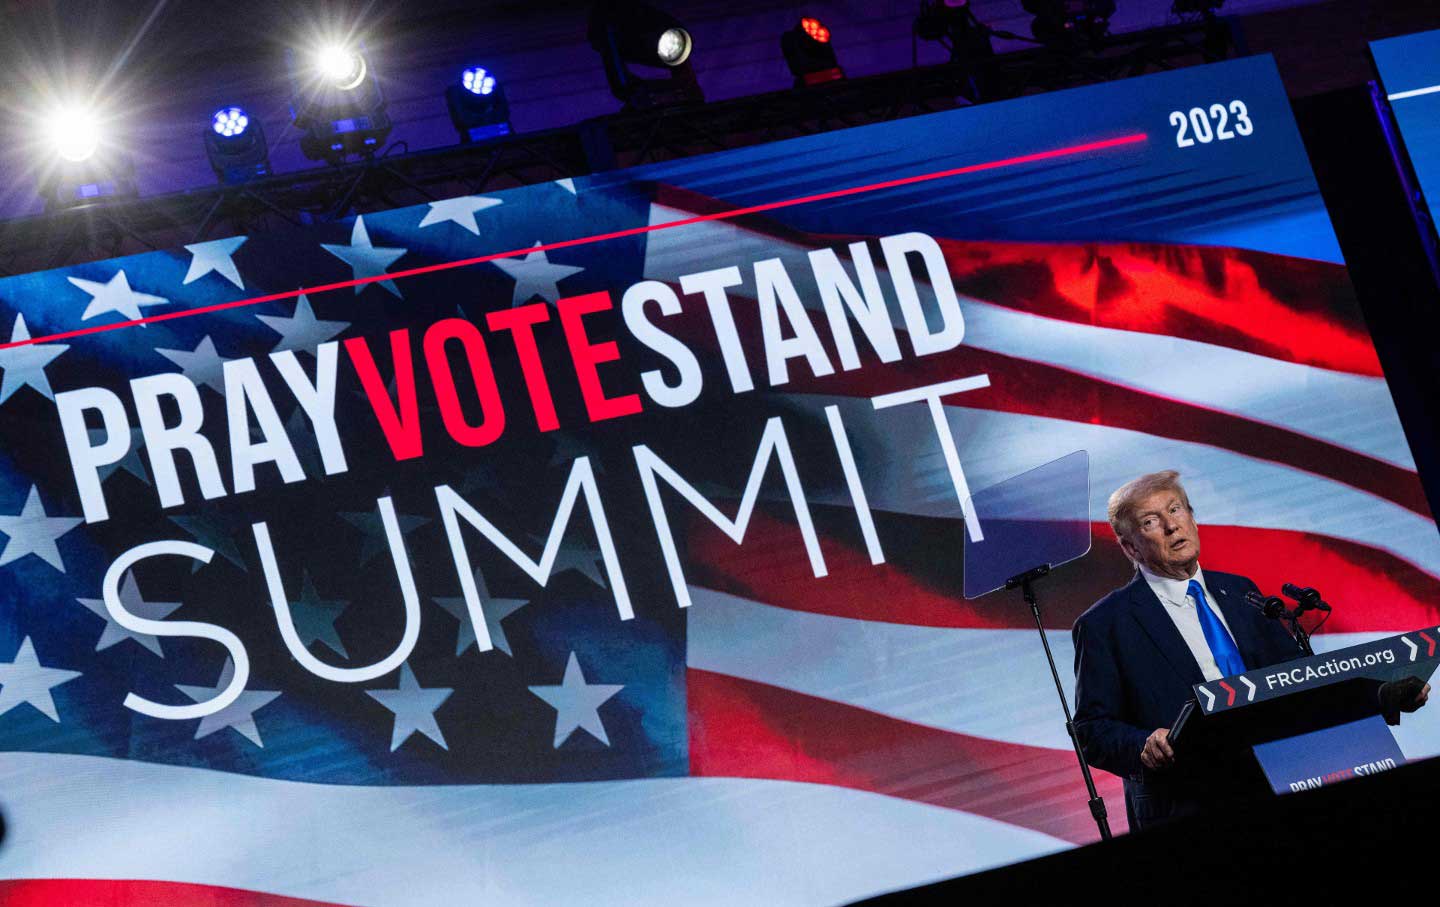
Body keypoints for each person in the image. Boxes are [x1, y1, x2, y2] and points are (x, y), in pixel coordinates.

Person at [1071, 469, 1428, 830]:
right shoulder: (1105, 624)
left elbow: (1299, 678)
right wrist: (1142, 745)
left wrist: (1383, 693)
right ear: (1130, 547)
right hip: (1188, 801)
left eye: (1176, 510)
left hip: (1278, 776)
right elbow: (1091, 728)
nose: (1171, 526)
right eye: (1151, 521)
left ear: (1192, 517)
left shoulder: (1242, 591)